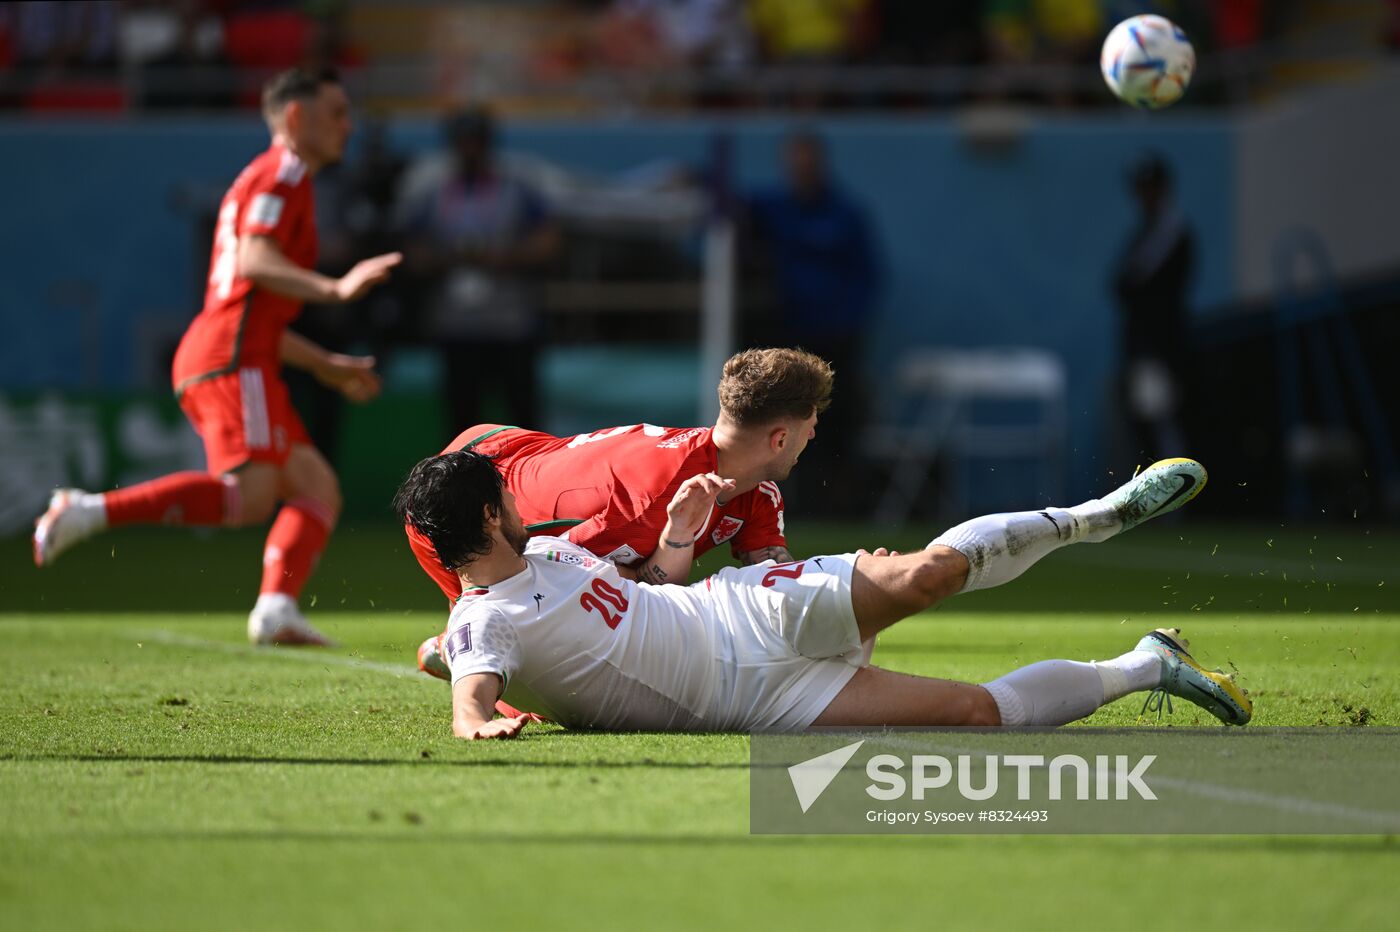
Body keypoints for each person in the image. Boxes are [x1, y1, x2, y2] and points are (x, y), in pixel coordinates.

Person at [393, 451, 1251, 738]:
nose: (519, 501)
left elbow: (648, 593)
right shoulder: (482, 622)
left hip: (742, 610)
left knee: (926, 575)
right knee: (976, 716)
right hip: (760, 703)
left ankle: (1098, 514)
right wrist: (480, 720)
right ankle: (1149, 665)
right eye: (504, 496)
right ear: (489, 515)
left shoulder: (548, 551)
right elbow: (473, 696)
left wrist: (680, 537)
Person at [33, 67, 402, 646]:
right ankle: (87, 510)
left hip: (240, 350)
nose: (348, 126)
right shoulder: (283, 171)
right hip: (233, 357)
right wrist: (335, 288)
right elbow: (254, 262)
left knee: (316, 488)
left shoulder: (279, 178)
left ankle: (276, 608)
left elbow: (255, 308)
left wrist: (323, 364)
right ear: (296, 116)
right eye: (336, 113)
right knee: (250, 498)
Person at [408, 347, 841, 681]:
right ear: (779, 440)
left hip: (516, 449)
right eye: (812, 424)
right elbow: (546, 575)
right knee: (536, 666)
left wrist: (840, 590)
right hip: (465, 499)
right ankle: (454, 646)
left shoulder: (755, 491)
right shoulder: (645, 506)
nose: (814, 433)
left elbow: (776, 583)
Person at [394, 106, 561, 435]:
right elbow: (412, 249)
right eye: (463, 141)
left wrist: (506, 257)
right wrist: (446, 258)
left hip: (511, 324)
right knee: (462, 422)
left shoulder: (517, 186)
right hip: (456, 324)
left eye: (477, 141)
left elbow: (549, 241)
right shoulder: (433, 189)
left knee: (523, 419)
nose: (470, 149)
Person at [746, 130, 880, 515]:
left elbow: (868, 274)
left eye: (808, 161)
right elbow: (732, 206)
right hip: (791, 336)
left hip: (837, 339)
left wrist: (847, 320)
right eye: (796, 162)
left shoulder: (845, 213)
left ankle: (841, 505)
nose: (802, 169)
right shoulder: (774, 207)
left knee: (838, 418)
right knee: (787, 417)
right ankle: (793, 502)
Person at [1112, 154, 1196, 463]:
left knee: (1162, 423)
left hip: (1158, 347)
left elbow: (1130, 282)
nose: (1142, 196)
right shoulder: (1148, 230)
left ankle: (1178, 487)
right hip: (1144, 346)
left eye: (1148, 188)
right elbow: (1120, 282)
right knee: (1146, 423)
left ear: (1162, 189)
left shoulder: (1169, 231)